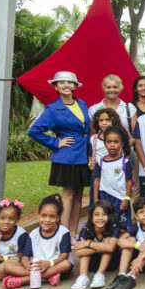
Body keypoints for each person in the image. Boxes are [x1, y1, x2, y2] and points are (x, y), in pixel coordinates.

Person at [28, 71, 91, 236]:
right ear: (55, 86)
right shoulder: (52, 109)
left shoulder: (82, 104)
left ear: (75, 86)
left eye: (70, 82)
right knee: (69, 196)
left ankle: (73, 233)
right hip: (67, 156)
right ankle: (64, 236)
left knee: (79, 195)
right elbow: (34, 131)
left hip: (83, 155)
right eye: (62, 82)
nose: (66, 85)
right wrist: (56, 142)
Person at [2, 195, 74, 289]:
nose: (47, 220)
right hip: (37, 268)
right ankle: (48, 277)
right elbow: (25, 256)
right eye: (43, 216)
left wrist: (49, 263)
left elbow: (65, 255)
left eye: (52, 217)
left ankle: (24, 280)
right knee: (7, 266)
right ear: (38, 215)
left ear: (58, 218)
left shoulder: (63, 232)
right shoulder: (33, 234)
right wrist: (26, 264)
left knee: (66, 264)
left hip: (55, 266)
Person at [71, 200, 120, 289]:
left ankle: (100, 274)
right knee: (103, 246)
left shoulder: (114, 228)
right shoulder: (86, 230)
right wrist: (100, 247)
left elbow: (110, 248)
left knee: (107, 248)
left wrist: (89, 244)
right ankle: (83, 277)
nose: (100, 218)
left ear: (110, 216)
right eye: (96, 214)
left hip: (111, 263)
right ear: (92, 217)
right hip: (91, 264)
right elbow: (78, 252)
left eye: (104, 214)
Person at [91, 126, 133, 231]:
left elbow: (129, 182)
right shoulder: (100, 162)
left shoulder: (125, 162)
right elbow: (96, 181)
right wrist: (96, 199)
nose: (112, 145)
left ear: (121, 144)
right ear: (105, 144)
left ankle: (121, 245)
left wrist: (126, 199)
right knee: (106, 224)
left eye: (116, 142)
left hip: (120, 199)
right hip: (104, 196)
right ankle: (107, 244)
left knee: (122, 226)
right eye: (109, 142)